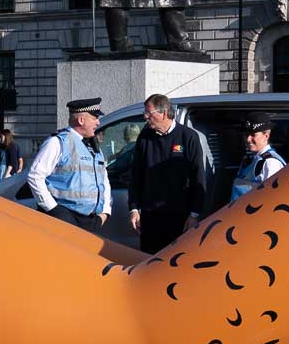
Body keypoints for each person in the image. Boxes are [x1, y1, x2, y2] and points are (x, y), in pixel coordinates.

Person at [127, 94, 210, 254]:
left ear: (164, 113)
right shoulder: (145, 137)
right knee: (149, 260)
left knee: (177, 260)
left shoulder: (188, 137)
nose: (145, 117)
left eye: (149, 113)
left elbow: (198, 177)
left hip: (180, 217)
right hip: (151, 217)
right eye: (145, 113)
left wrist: (194, 214)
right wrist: (134, 209)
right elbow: (136, 175)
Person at [27, 98, 110, 229]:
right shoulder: (57, 142)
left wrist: (105, 213)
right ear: (81, 120)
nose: (98, 122)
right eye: (95, 118)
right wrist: (53, 209)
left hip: (89, 221)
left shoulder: (93, 146)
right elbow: (35, 175)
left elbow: (103, 180)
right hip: (64, 219)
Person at [230, 116, 287, 202]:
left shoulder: (270, 163)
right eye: (246, 135)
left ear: (266, 136)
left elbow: (271, 199)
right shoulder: (253, 159)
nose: (248, 139)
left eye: (253, 135)